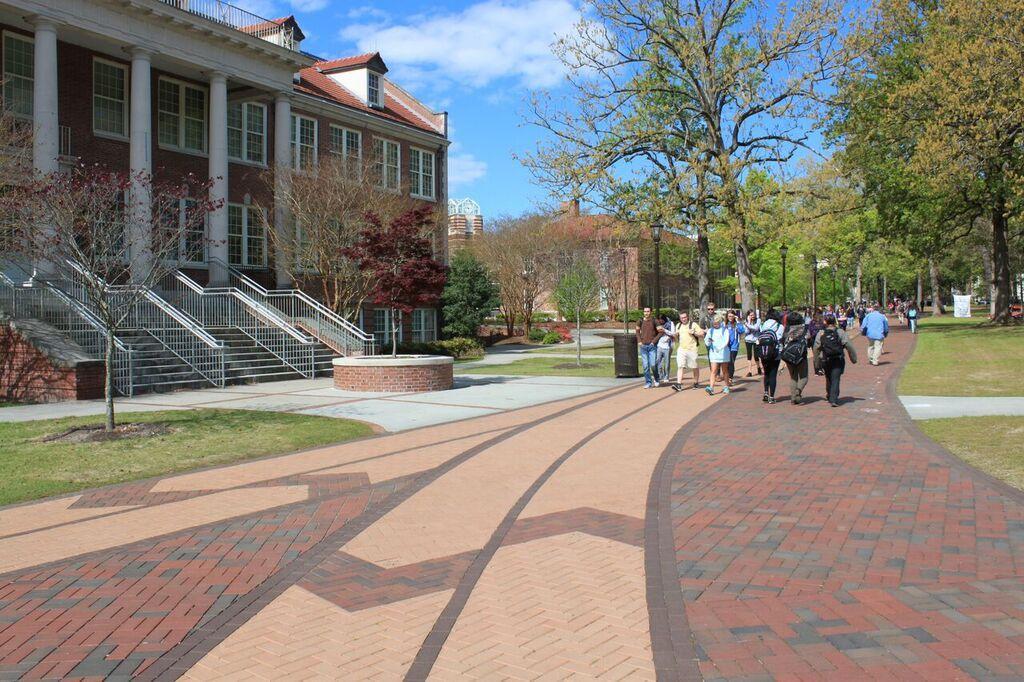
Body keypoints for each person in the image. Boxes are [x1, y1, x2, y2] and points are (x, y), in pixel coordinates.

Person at [813, 314, 858, 407]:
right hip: (838, 359)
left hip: (825, 359)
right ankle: (833, 398)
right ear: (835, 321)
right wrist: (853, 358)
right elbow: (849, 345)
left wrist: (816, 363)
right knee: (836, 378)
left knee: (829, 377)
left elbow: (816, 348)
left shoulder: (821, 333)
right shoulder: (840, 332)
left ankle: (830, 394)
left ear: (825, 322)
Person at [780, 311, 810, 404]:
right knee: (804, 377)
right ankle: (798, 391)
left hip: (789, 356)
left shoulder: (786, 330)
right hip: (801, 355)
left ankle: (793, 398)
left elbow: (782, 341)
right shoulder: (804, 329)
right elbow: (808, 338)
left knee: (793, 377)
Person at [672, 311, 705, 391]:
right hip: (681, 349)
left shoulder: (693, 325)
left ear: (688, 317)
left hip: (692, 349)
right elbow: (677, 339)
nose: (683, 319)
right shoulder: (678, 326)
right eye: (682, 318)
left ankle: (696, 382)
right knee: (680, 366)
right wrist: (675, 336)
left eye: (685, 317)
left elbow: (702, 334)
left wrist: (694, 332)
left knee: (694, 367)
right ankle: (679, 384)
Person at [757, 310, 783, 403]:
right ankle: (771, 397)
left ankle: (765, 392)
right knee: (773, 374)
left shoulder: (763, 325)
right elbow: (780, 338)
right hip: (775, 352)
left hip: (764, 351)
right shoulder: (780, 326)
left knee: (766, 373)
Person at [635, 306, 662, 388]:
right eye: (645, 311)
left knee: (653, 365)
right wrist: (639, 341)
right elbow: (637, 332)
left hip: (652, 346)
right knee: (645, 366)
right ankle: (648, 382)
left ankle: (656, 379)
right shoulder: (640, 321)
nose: (646, 313)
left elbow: (661, 332)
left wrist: (653, 342)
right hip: (643, 346)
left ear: (651, 312)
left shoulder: (655, 321)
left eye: (648, 311)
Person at [704, 313, 731, 396]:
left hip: (723, 353)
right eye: (714, 324)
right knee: (713, 371)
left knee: (725, 370)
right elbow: (707, 341)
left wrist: (720, 347)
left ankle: (726, 386)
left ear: (720, 322)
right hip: (714, 353)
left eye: (717, 323)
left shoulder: (724, 330)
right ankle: (711, 388)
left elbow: (726, 341)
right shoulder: (710, 330)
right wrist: (708, 341)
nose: (715, 325)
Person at [724, 310, 745, 386]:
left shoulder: (736, 324)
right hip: (726, 346)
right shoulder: (724, 324)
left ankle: (730, 378)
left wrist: (738, 321)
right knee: (726, 363)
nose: (730, 318)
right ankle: (727, 377)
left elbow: (742, 330)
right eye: (729, 316)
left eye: (732, 316)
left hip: (734, 346)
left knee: (731, 362)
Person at [655, 314, 675, 385]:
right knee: (658, 361)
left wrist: (664, 330)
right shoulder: (657, 324)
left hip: (667, 346)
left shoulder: (670, 324)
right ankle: (660, 375)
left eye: (662, 320)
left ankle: (666, 376)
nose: (660, 321)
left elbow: (673, 334)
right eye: (659, 320)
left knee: (666, 363)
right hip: (659, 346)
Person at [743, 310, 762, 377]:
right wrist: (749, 322)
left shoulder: (758, 320)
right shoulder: (746, 321)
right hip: (748, 340)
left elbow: (756, 328)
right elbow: (746, 331)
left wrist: (747, 325)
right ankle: (750, 371)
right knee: (749, 355)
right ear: (748, 316)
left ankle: (758, 367)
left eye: (753, 315)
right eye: (751, 315)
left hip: (756, 340)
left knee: (756, 355)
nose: (752, 316)